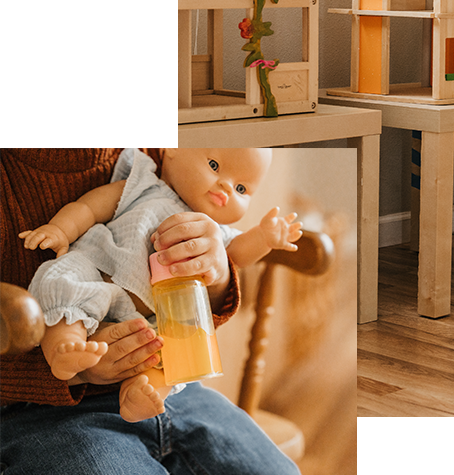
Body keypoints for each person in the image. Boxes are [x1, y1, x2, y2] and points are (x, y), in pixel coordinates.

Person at [0, 148, 301, 475]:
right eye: (214, 166)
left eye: (242, 190)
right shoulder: (143, 177)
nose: (226, 189)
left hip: (161, 365)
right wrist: (62, 230)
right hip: (43, 407)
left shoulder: (198, 205)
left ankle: (141, 394)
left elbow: (238, 253)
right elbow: (89, 207)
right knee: (69, 296)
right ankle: (63, 353)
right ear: (173, 150)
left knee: (163, 358)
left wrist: (229, 261)